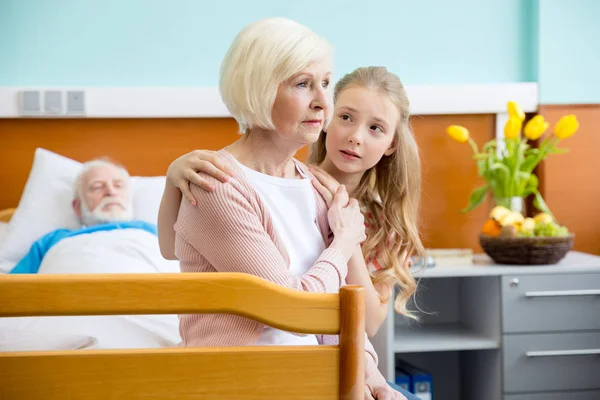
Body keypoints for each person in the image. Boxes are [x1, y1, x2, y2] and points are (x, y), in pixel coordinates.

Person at [158, 17, 410, 400]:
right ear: (259, 89)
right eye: (303, 84)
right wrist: (343, 244)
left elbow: (345, 316)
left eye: (325, 83)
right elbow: (292, 311)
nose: (323, 103)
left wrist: (372, 377)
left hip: (319, 380)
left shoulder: (315, 186)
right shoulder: (216, 184)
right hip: (248, 384)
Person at [162, 67, 424, 338]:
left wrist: (349, 236)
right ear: (326, 118)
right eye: (346, 117)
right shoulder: (285, 187)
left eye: (375, 128)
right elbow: (173, 248)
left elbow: (368, 324)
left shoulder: (386, 225)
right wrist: (173, 182)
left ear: (391, 144)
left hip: (338, 357)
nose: (355, 137)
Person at [10, 158, 159, 274]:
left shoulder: (158, 233)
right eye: (97, 186)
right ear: (77, 207)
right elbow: (10, 291)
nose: (111, 192)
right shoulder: (51, 241)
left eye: (118, 185)